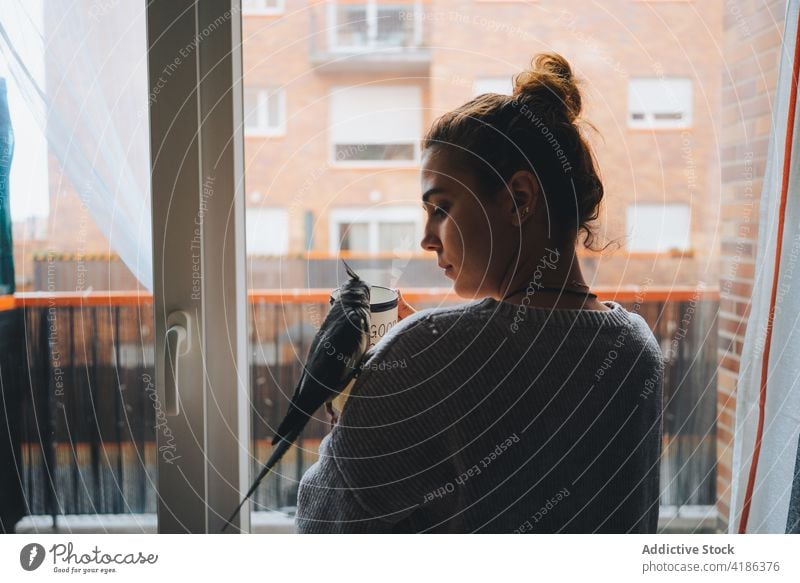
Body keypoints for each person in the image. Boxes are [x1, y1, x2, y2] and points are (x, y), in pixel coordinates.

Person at [295, 53, 665, 533]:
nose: (427, 238)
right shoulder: (636, 347)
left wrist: (362, 394)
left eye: (441, 208)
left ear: (519, 199)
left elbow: (324, 529)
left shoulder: (425, 351)